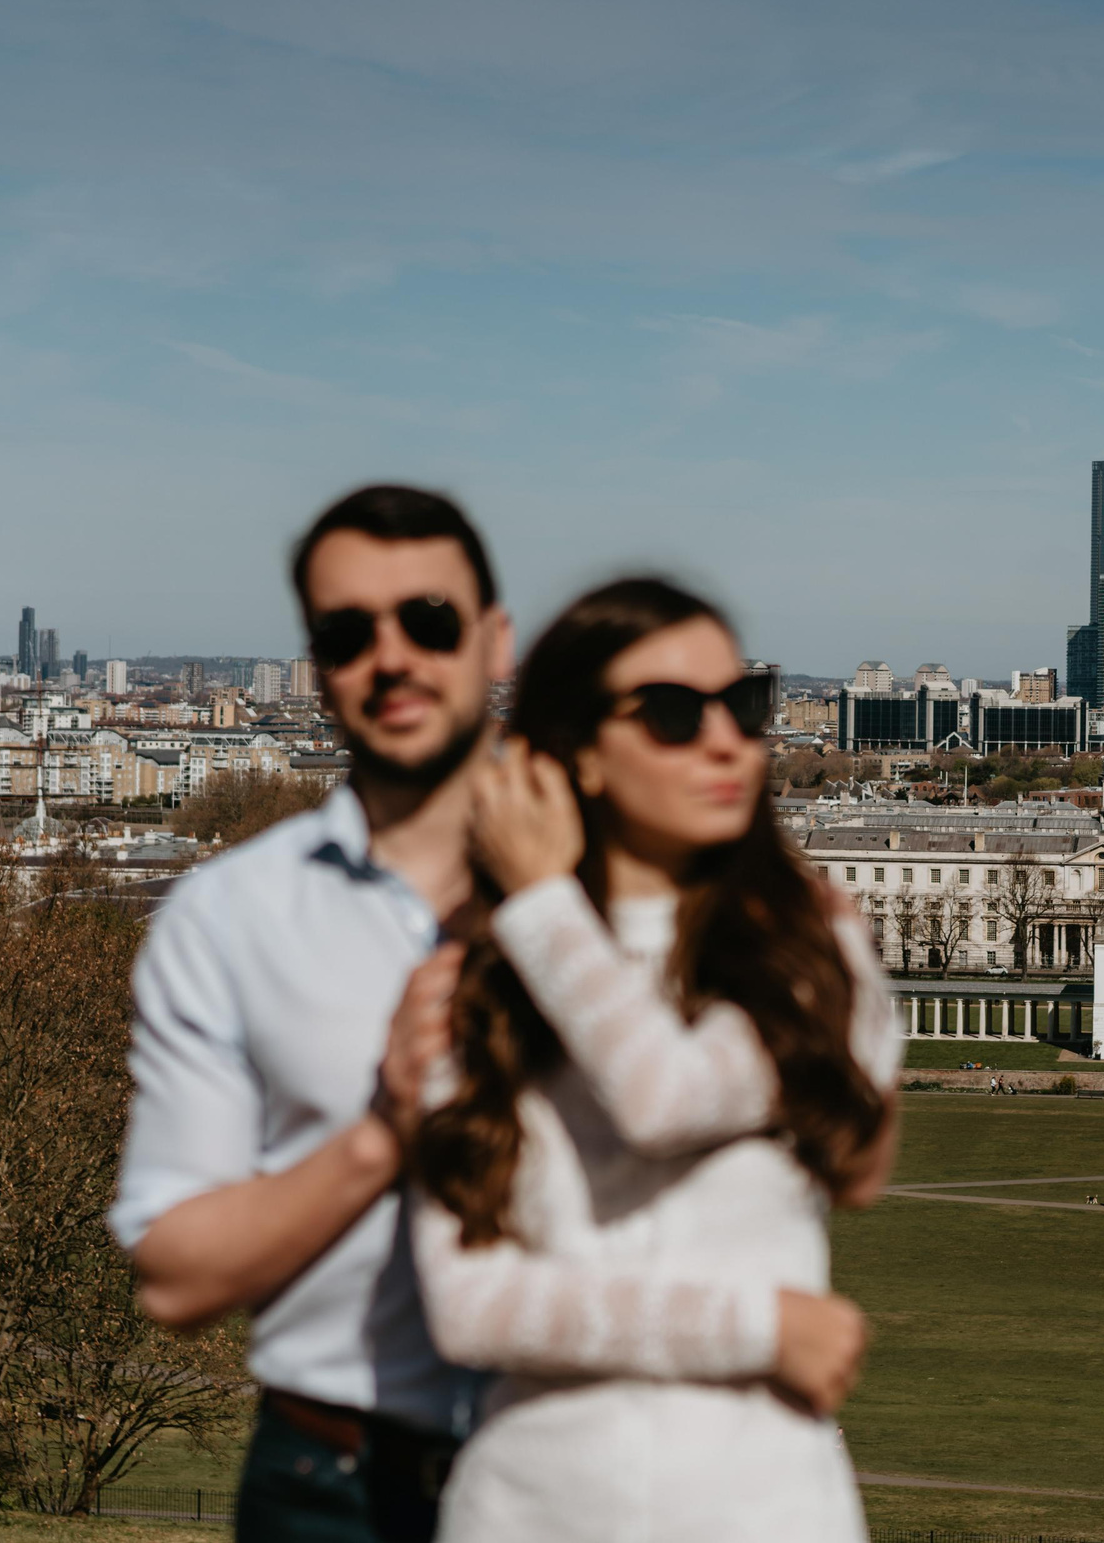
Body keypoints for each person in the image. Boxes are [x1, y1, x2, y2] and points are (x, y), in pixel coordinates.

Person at [409, 578, 898, 1543]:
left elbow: (662, 1095)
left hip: (768, 1510)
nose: (729, 740)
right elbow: (468, 1307)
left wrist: (542, 907)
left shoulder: (811, 951)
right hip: (529, 1512)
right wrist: (759, 1329)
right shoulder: (472, 975)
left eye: (746, 704)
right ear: (578, 755)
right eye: (674, 714)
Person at [111, 486, 510, 1543]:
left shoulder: (625, 889)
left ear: (495, 639)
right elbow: (176, 1271)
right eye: (346, 632)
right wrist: (382, 1133)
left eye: (429, 620)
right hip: (329, 1482)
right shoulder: (228, 915)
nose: (392, 656)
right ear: (315, 665)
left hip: (580, 1472)